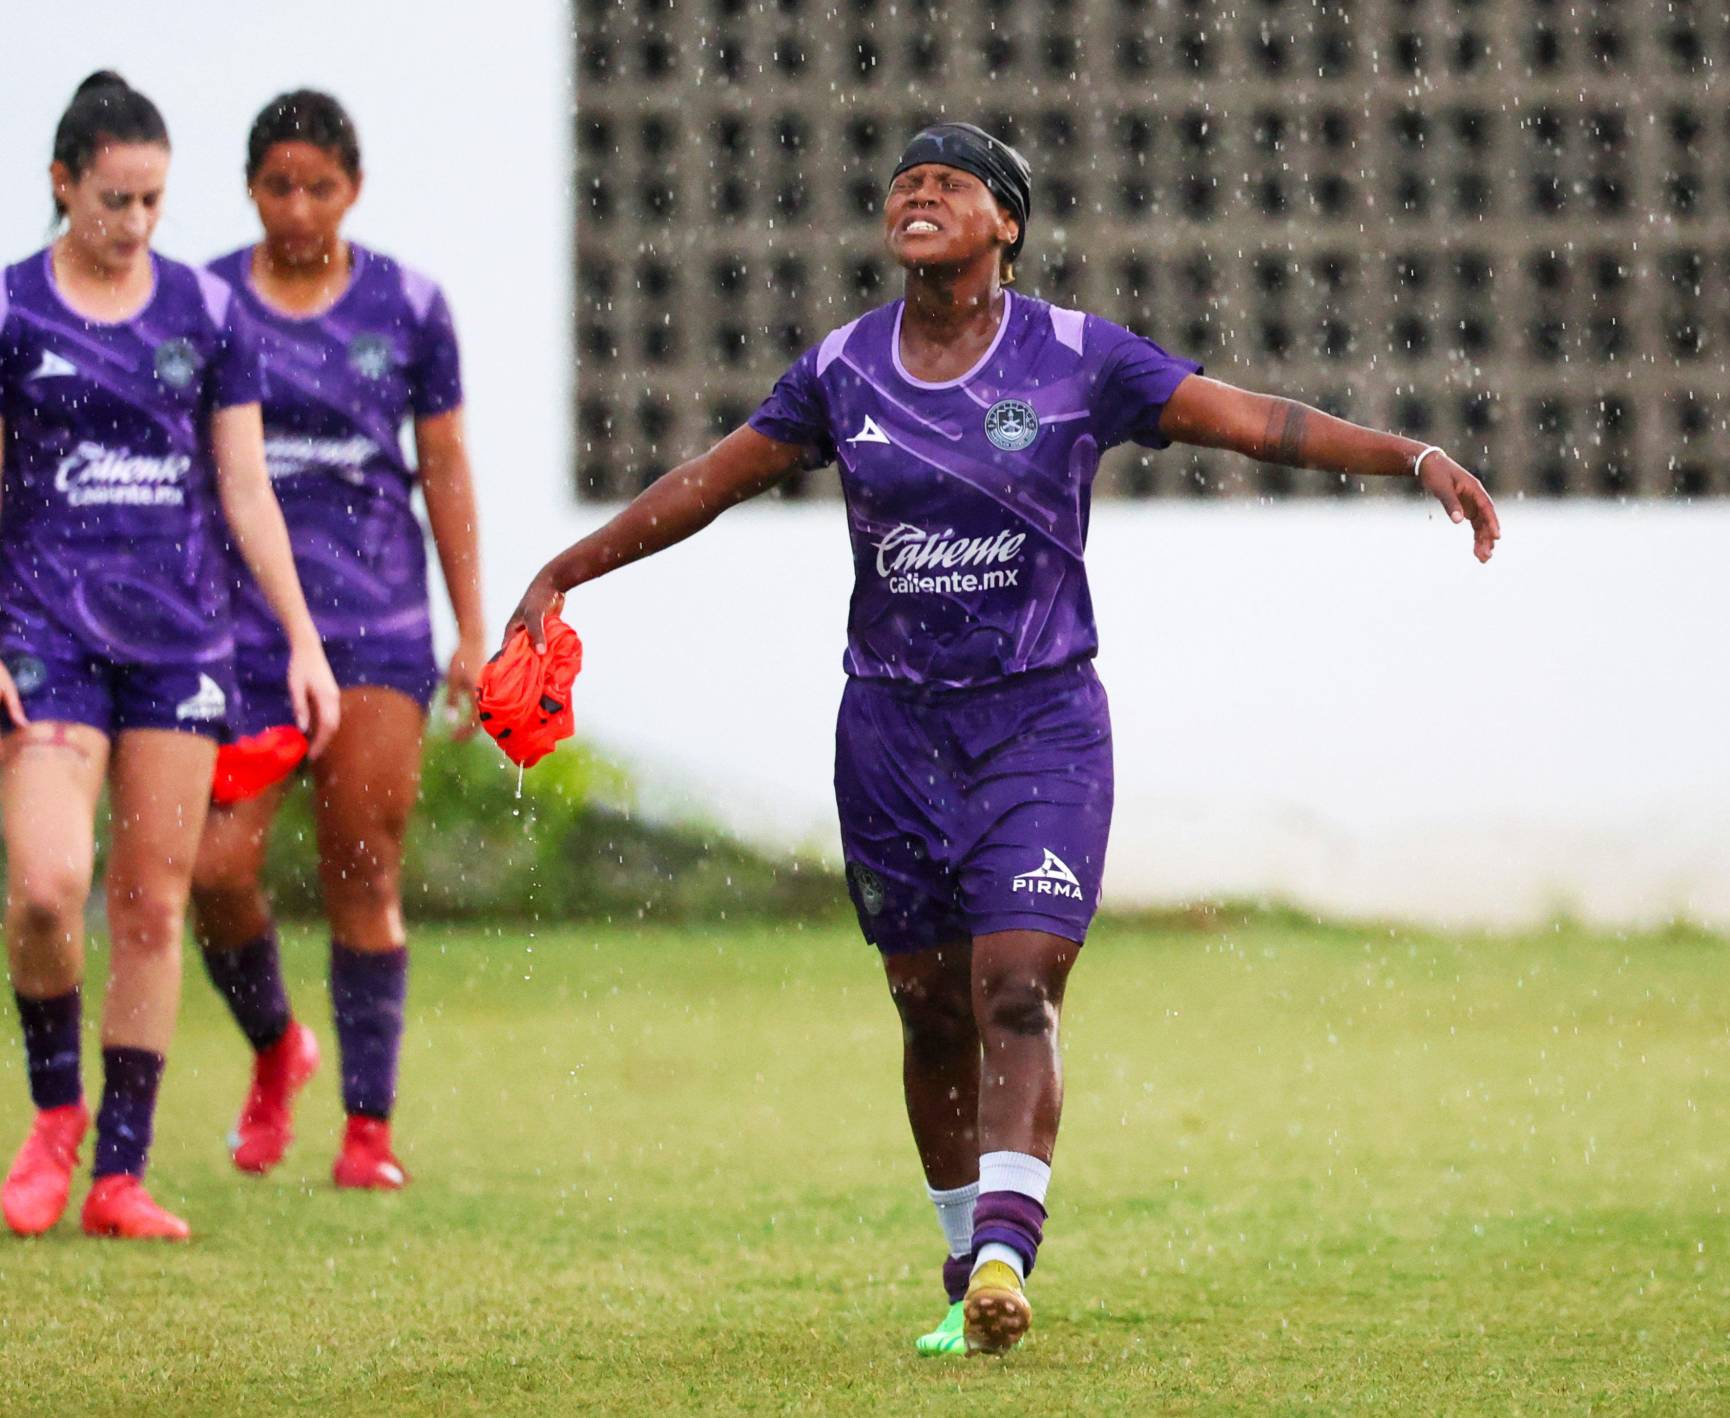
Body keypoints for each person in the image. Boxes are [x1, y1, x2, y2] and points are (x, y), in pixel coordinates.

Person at [505, 122, 1500, 1353]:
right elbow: (709, 479)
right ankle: (958, 1259)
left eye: (949, 182)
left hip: (1037, 724)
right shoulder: (841, 369)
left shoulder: (1078, 356)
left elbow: (1256, 420)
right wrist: (566, 569)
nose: (917, 194)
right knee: (928, 1008)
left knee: (1015, 986)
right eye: (904, 183)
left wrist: (1409, 455)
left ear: (1006, 224)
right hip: (888, 733)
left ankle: (1000, 1255)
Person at [0, 72, 340, 1241]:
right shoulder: (12, 311)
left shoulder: (205, 311)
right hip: (44, 632)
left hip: (179, 641)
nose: (137, 221)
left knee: (152, 902)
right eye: (115, 198)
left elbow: (245, 486)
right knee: (47, 886)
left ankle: (119, 1172)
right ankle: (55, 1114)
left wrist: (302, 640)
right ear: (63, 182)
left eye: (153, 200)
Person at [190, 90, 483, 1190]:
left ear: (354, 188)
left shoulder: (409, 305)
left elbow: (444, 466)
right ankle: (276, 1046)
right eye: (279, 186)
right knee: (214, 867)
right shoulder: (204, 301)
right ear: (250, 189)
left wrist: (471, 629)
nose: (300, 208)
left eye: (321, 186)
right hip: (240, 630)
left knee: (363, 869)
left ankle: (368, 1131)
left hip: (376, 624)